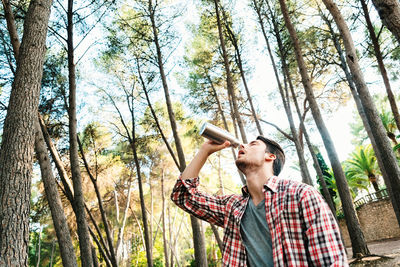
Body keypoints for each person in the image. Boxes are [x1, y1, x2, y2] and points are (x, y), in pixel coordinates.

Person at [171, 136, 348, 266]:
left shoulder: (301, 195)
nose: (242, 145)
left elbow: (331, 262)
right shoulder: (232, 207)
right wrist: (205, 150)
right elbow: (183, 196)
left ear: (270, 157)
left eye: (252, 144)